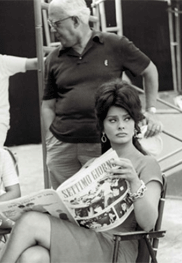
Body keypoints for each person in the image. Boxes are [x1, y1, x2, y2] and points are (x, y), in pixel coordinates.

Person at [0, 79, 163, 263]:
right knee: (33, 257)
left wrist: (134, 182)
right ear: (102, 127)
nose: (121, 125)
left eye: (127, 118)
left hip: (117, 248)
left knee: (29, 222)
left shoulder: (147, 164)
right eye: (112, 120)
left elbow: (149, 224)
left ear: (136, 123)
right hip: (87, 239)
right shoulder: (94, 164)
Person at [43, 0, 163, 189]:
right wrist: (51, 140)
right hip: (62, 148)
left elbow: (150, 71)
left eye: (55, 24)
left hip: (102, 145)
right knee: (63, 205)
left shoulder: (115, 44)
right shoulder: (52, 59)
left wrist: (151, 110)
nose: (52, 30)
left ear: (75, 20)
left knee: (102, 202)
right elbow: (48, 105)